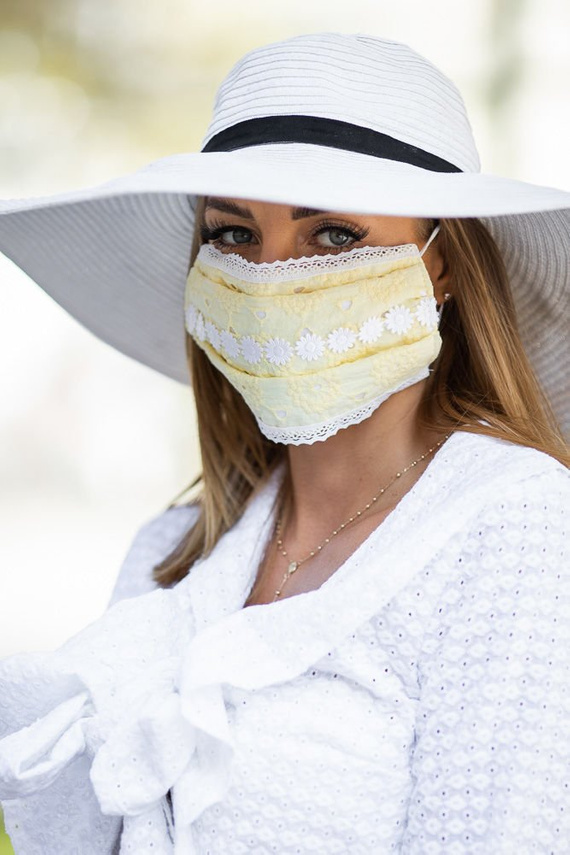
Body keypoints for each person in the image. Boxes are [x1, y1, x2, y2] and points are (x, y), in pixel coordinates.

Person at [0, 32, 568, 855]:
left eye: (333, 235)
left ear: (441, 266)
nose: (271, 279)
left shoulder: (512, 523)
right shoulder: (169, 552)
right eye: (233, 234)